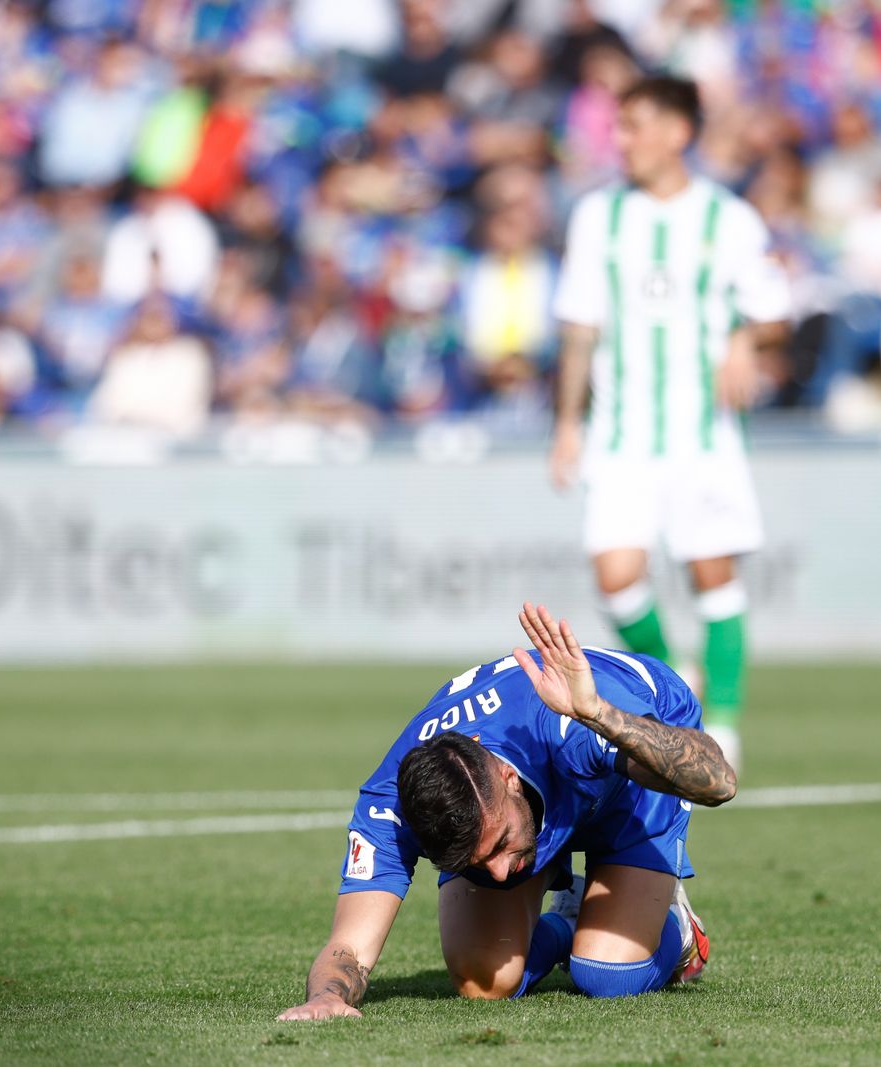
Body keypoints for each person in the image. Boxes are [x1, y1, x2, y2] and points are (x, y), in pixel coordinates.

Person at [276, 603, 736, 1020]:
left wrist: (597, 713)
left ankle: (679, 928)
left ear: (507, 777)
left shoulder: (567, 726)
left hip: (630, 758)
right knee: (485, 982)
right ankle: (571, 918)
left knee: (607, 975)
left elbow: (719, 781)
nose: (498, 874)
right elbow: (349, 949)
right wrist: (328, 997)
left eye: (497, 844)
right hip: (549, 788)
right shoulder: (391, 803)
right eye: (473, 861)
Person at [549, 76, 791, 772]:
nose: (621, 141)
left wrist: (745, 339)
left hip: (702, 436)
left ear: (678, 133)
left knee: (712, 572)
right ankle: (675, 679)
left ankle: (725, 728)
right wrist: (568, 423)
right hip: (621, 437)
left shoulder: (729, 219)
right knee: (615, 577)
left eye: (635, 127)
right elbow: (579, 327)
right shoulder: (599, 216)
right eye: (618, 128)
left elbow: (774, 312)